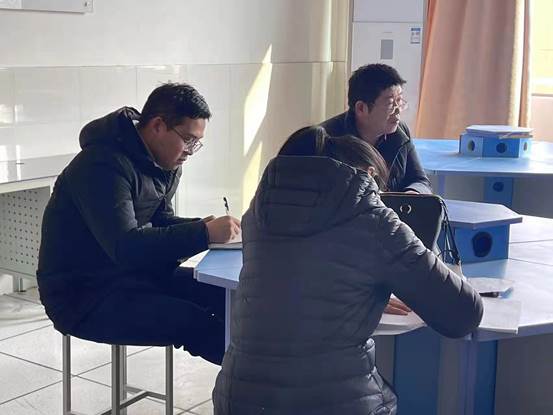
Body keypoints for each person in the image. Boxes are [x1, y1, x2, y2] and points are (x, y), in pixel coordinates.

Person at [212, 126, 482, 414]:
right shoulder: (373, 219)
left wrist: (361, 291)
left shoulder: (256, 217)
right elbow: (462, 315)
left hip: (237, 401)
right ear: (368, 174)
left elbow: (296, 283)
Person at [37, 83, 240, 364]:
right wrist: (203, 233)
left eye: (196, 143)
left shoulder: (165, 162)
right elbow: (126, 246)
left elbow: (162, 220)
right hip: (83, 295)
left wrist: (208, 228)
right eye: (188, 139)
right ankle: (254, 385)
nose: (191, 151)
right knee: (194, 322)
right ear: (158, 126)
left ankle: (269, 373)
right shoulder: (101, 165)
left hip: (132, 275)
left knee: (232, 296)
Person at [321, 63, 432, 194]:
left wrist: (413, 193)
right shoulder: (327, 139)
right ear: (361, 108)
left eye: (399, 101)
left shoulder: (400, 131)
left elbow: (420, 180)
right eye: (390, 104)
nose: (398, 111)